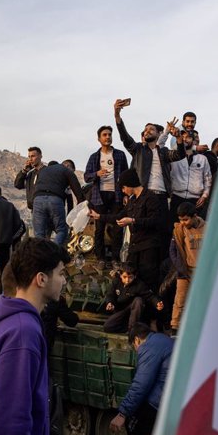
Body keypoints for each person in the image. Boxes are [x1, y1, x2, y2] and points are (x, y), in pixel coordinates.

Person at [0, 238, 70, 435]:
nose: (64, 280)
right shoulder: (22, 332)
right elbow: (12, 421)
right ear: (41, 279)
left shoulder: (4, 319)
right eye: (61, 273)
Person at [114, 98, 186, 255]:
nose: (147, 131)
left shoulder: (163, 152)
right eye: (145, 129)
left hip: (161, 197)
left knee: (161, 234)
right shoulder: (138, 149)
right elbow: (125, 138)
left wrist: (179, 138)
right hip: (144, 196)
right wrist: (117, 115)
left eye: (151, 129)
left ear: (158, 133)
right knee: (139, 233)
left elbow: (180, 154)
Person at [90, 169, 164, 292]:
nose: (123, 191)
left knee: (148, 279)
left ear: (129, 184)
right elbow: (119, 216)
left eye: (123, 188)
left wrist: (133, 220)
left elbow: (155, 221)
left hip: (148, 247)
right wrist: (99, 217)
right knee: (131, 277)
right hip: (135, 247)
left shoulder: (150, 198)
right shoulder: (132, 200)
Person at [109, 322, 174, 435]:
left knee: (134, 427)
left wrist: (122, 414)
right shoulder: (162, 339)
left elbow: (141, 383)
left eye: (134, 347)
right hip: (174, 397)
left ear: (137, 340)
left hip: (162, 402)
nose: (136, 350)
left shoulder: (148, 347)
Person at [84, 125, 129, 266]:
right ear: (99, 139)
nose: (108, 137)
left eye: (109, 134)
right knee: (99, 228)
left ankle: (115, 259)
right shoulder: (94, 157)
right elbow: (86, 177)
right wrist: (96, 174)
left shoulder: (120, 155)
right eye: (104, 135)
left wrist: (126, 193)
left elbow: (125, 175)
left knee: (117, 227)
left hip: (116, 194)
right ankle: (101, 258)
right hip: (99, 195)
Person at [169, 202, 206, 335]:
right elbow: (173, 251)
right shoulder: (179, 229)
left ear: (195, 216)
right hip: (185, 271)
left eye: (186, 219)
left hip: (202, 272)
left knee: (201, 301)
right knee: (180, 300)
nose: (183, 222)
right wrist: (180, 268)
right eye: (181, 219)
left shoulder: (207, 227)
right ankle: (175, 329)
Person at [32, 161, 86, 246]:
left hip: (38, 199)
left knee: (39, 234)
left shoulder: (42, 170)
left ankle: (40, 256)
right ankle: (54, 252)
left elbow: (34, 187)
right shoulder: (67, 171)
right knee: (62, 230)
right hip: (55, 199)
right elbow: (78, 193)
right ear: (68, 165)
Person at [103, 263, 163, 333]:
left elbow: (150, 296)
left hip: (135, 313)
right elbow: (110, 294)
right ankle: (130, 328)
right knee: (107, 327)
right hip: (121, 311)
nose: (127, 280)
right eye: (124, 277)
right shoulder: (116, 281)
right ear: (120, 275)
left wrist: (157, 303)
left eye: (130, 277)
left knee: (138, 300)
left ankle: (132, 330)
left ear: (135, 276)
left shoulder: (139, 285)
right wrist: (110, 303)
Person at [169, 129, 212, 222]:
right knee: (174, 229)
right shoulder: (173, 156)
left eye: (188, 137)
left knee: (194, 231)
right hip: (176, 197)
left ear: (193, 140)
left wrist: (204, 195)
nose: (184, 139)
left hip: (195, 200)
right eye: (182, 137)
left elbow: (207, 179)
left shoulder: (203, 159)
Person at [14, 146, 45, 210]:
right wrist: (24, 171)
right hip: (33, 209)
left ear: (40, 156)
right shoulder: (30, 174)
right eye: (29, 157)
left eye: (33, 156)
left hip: (44, 208)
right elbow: (18, 185)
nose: (30, 159)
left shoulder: (46, 171)